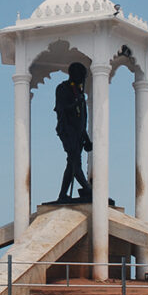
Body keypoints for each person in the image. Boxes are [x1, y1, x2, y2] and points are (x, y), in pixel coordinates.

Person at [54, 62, 92, 203]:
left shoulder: (79, 92)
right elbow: (62, 109)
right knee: (75, 163)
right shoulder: (63, 88)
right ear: (73, 74)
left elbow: (81, 120)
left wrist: (86, 139)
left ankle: (62, 195)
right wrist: (77, 102)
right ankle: (87, 189)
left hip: (78, 134)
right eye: (81, 76)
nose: (83, 79)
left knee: (71, 164)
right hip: (68, 131)